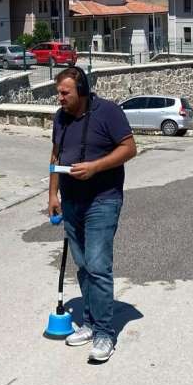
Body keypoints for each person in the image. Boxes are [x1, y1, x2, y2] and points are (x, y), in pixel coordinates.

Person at [48, 66, 137, 363]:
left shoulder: (108, 112)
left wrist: (96, 167)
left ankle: (104, 332)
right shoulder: (60, 118)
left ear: (82, 91)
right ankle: (89, 321)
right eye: (58, 92)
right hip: (72, 201)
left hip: (103, 199)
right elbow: (56, 156)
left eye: (65, 92)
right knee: (83, 265)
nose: (59, 97)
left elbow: (130, 148)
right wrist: (52, 195)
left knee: (98, 265)